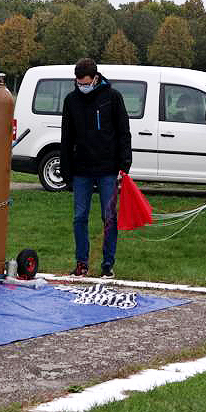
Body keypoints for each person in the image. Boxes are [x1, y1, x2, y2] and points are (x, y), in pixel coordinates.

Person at [60, 58, 132, 278]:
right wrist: (66, 169)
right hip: (81, 168)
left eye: (85, 82)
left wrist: (124, 163)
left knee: (108, 217)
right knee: (79, 217)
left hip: (107, 169)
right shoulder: (71, 100)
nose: (82, 86)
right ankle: (81, 263)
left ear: (95, 78)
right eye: (78, 82)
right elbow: (66, 136)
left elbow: (123, 132)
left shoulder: (113, 98)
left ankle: (107, 264)